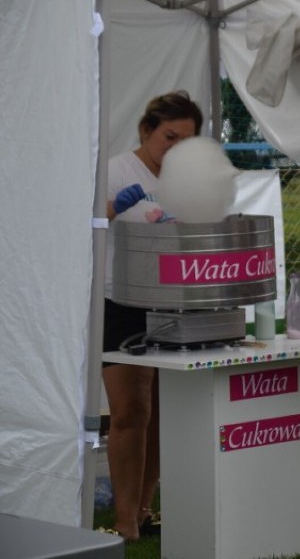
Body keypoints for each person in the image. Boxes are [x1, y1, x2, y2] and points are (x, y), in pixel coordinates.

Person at [103, 90, 203, 540]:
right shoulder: (115, 170)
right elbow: (77, 222)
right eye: (169, 136)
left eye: (187, 141)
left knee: (162, 411)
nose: (176, 148)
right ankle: (123, 521)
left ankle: (144, 510)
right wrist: (112, 208)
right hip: (119, 300)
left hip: (169, 301)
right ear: (146, 130)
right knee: (129, 412)